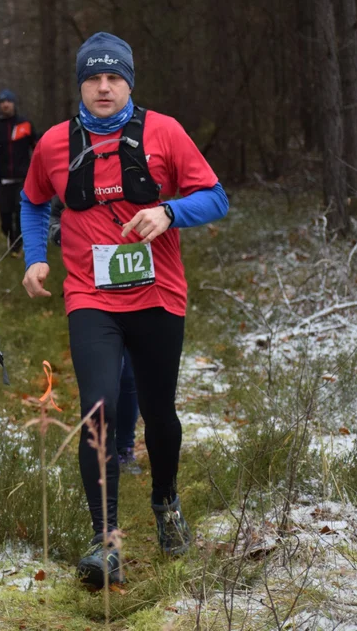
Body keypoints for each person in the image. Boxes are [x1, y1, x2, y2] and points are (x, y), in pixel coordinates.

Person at [19, 32, 229, 589]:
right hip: (91, 297)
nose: (104, 87)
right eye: (94, 78)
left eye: (114, 78)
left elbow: (216, 196)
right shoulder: (54, 144)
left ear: (129, 82)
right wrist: (36, 257)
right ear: (81, 85)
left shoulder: (164, 132)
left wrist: (169, 212)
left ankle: (165, 503)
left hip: (158, 295)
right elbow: (34, 199)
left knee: (159, 413)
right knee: (99, 408)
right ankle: (104, 538)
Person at [51, 199, 141, 474]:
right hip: (92, 294)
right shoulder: (74, 166)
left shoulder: (139, 165)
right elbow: (50, 212)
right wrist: (65, 236)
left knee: (129, 376)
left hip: (138, 288)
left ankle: (125, 446)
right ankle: (102, 450)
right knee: (106, 379)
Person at [0, 89, 37, 254]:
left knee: (20, 214)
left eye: (8, 101)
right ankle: (11, 238)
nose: (5, 104)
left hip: (22, 178)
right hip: (3, 179)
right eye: (2, 102)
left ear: (13, 103)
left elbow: (37, 146)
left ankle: (17, 246)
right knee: (5, 216)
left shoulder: (25, 124)